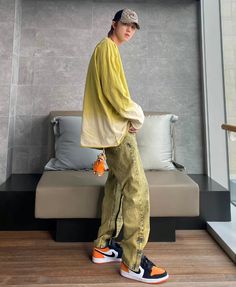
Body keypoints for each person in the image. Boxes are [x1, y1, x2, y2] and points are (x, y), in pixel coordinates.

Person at [80, 8, 169, 284]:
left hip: (110, 131)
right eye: (125, 24)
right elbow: (116, 95)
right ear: (114, 24)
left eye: (134, 27)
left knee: (117, 185)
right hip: (117, 133)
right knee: (137, 187)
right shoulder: (107, 49)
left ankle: (103, 246)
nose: (129, 30)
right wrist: (136, 116)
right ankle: (132, 263)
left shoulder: (106, 50)